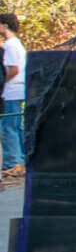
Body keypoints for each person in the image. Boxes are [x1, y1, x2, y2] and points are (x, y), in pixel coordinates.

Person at [1, 13, 26, 178]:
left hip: (11, 89)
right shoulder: (17, 43)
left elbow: (13, 69)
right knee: (16, 126)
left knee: (8, 126)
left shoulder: (9, 45)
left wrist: (3, 83)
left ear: (4, 25)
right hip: (20, 88)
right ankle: (21, 159)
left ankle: (13, 162)